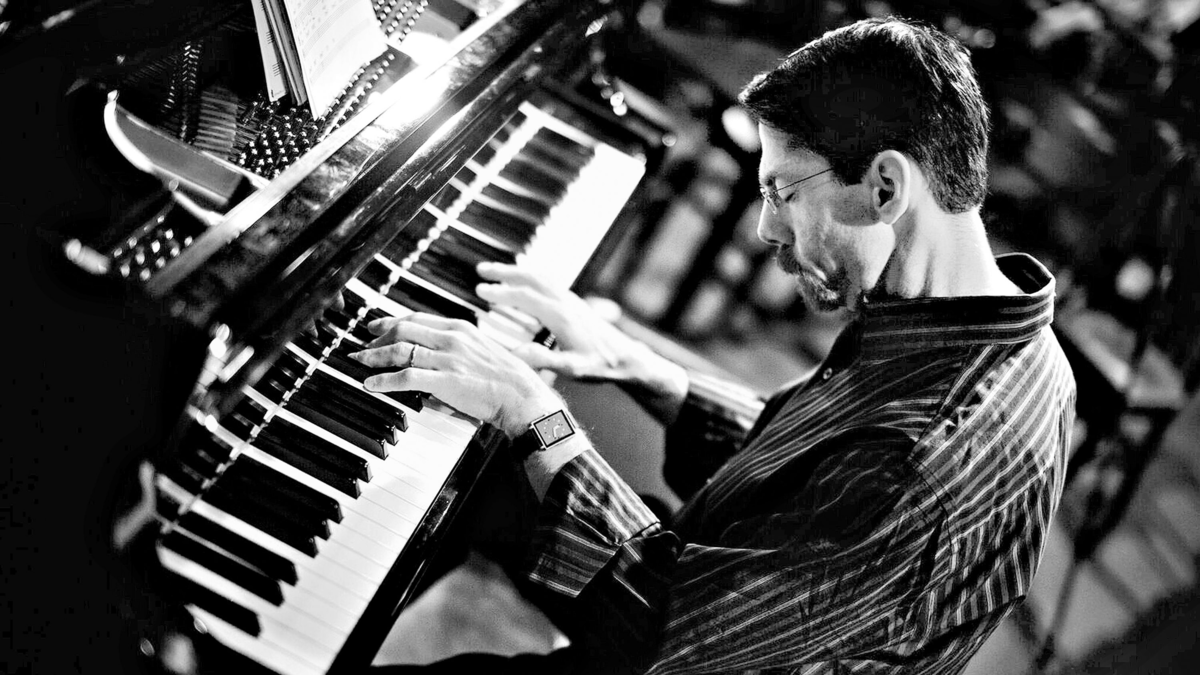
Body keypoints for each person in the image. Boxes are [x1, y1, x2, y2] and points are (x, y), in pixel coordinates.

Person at [351, 15, 1077, 675]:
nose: (765, 229)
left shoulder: (921, 464)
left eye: (783, 193)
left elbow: (660, 633)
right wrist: (649, 373)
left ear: (886, 187)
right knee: (467, 470)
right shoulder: (988, 328)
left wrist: (537, 414)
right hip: (717, 607)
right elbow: (809, 483)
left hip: (674, 638)